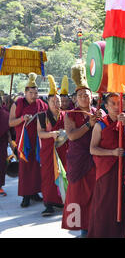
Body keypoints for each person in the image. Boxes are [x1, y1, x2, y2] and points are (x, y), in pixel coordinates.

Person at [62, 63, 104, 237]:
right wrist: (89, 124)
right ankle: (83, 229)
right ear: (75, 99)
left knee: (96, 194)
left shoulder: (99, 112)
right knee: (79, 196)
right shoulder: (71, 114)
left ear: (92, 96)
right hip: (79, 160)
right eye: (80, 95)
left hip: (96, 159)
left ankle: (96, 226)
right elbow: (71, 136)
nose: (84, 98)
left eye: (86, 94)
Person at [88, 93, 125, 238]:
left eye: (120, 102)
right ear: (105, 106)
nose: (117, 106)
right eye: (112, 103)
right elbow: (93, 149)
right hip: (107, 170)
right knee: (105, 204)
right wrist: (112, 152)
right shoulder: (100, 125)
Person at [9, 73, 48, 207]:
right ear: (25, 92)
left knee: (36, 168)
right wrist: (21, 119)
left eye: (36, 93)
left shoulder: (41, 103)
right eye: (31, 93)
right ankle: (25, 196)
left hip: (37, 141)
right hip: (23, 142)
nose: (34, 96)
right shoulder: (18, 103)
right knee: (25, 169)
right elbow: (10, 122)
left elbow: (47, 118)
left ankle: (35, 192)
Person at [36, 76, 68, 216]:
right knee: (48, 176)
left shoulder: (66, 115)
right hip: (49, 151)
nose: (56, 103)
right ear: (47, 102)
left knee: (64, 174)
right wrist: (52, 134)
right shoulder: (42, 116)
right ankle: (48, 203)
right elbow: (40, 134)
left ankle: (62, 200)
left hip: (63, 150)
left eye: (58, 101)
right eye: (53, 101)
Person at [0, 96, 11, 197]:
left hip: (2, 144)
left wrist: (11, 142)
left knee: (1, 165)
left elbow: (8, 130)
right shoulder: (5, 114)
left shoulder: (4, 114)